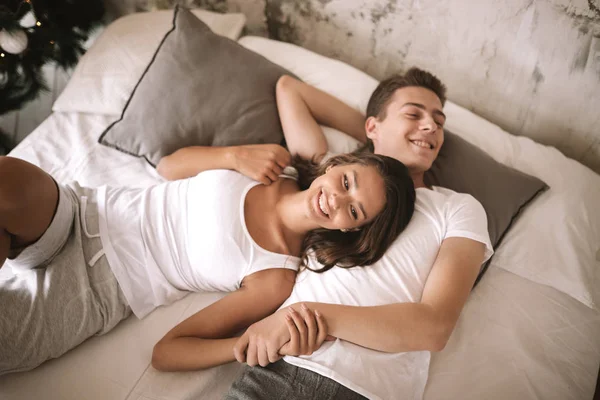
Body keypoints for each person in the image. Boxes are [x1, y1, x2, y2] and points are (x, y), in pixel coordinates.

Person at [0, 144, 414, 375]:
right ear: (335, 166)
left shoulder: (275, 277)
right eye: (347, 182)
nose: (337, 200)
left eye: (354, 211)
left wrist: (246, 346)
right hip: (85, 210)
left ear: (350, 230)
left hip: (96, 288)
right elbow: (168, 166)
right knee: (7, 181)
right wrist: (233, 156)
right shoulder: (272, 165)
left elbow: (166, 352)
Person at [224, 68, 494, 399]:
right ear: (372, 125)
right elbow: (289, 89)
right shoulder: (334, 181)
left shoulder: (457, 208)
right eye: (414, 113)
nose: (431, 127)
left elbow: (434, 328)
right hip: (278, 370)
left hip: (366, 388)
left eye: (439, 122)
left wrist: (309, 315)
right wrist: (374, 141)